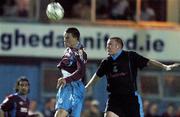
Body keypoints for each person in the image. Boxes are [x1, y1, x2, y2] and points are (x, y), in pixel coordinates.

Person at [85, 37, 179, 117]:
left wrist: (164, 66)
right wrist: (87, 86)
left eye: (110, 44)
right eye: (107, 45)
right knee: (108, 115)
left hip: (130, 97)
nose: (107, 47)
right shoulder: (106, 62)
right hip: (114, 97)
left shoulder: (130, 56)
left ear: (118, 46)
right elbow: (97, 76)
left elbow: (149, 61)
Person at [54, 27, 87, 117]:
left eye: (67, 37)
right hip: (73, 86)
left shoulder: (79, 52)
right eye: (64, 37)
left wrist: (66, 80)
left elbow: (81, 71)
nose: (65, 40)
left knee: (60, 114)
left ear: (76, 38)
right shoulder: (69, 50)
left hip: (71, 86)